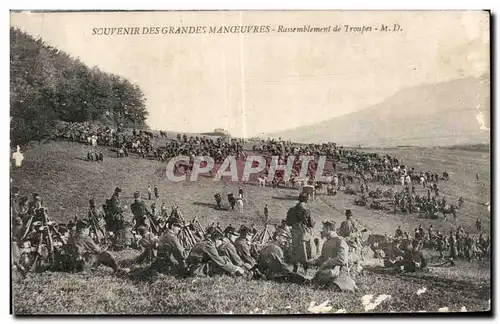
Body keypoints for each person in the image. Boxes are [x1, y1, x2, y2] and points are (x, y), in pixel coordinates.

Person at [309, 221, 356, 292]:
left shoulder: (340, 241)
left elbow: (342, 260)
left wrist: (328, 262)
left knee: (327, 273)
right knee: (321, 274)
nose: (322, 230)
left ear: (328, 229)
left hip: (339, 273)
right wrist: (314, 261)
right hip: (330, 271)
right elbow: (323, 257)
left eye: (323, 228)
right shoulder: (326, 242)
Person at [286, 193, 315, 275]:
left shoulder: (291, 210)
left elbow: (288, 222)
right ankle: (305, 271)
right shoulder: (306, 211)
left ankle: (295, 269)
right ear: (306, 201)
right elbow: (311, 224)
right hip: (303, 232)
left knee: (295, 249)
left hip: (294, 232)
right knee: (304, 251)